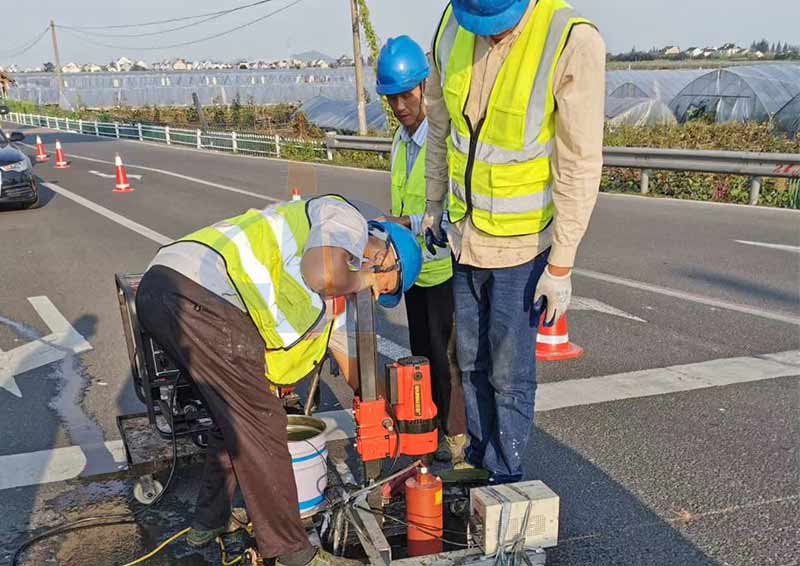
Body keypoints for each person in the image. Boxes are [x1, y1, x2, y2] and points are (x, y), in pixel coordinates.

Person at [135, 195, 422, 565]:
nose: (375, 293)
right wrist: (363, 278)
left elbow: (358, 375)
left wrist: (394, 415)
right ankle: (293, 553)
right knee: (263, 422)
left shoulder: (332, 301)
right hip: (199, 291)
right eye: (386, 285)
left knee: (232, 422)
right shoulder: (343, 217)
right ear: (385, 256)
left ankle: (208, 522)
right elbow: (325, 274)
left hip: (166, 290)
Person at [422, 0, 605, 483]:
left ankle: (506, 473)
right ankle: (481, 463)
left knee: (507, 374)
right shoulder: (451, 25)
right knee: (470, 363)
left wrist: (561, 264)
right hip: (464, 237)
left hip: (522, 248)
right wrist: (433, 204)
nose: (489, 36)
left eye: (498, 27)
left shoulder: (569, 38)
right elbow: (439, 127)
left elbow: (579, 162)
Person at [374, 36, 468, 464]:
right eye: (391, 98)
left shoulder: (442, 140)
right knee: (421, 354)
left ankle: (457, 440)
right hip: (413, 267)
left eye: (406, 95)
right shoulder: (399, 141)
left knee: (448, 357)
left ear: (425, 86)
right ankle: (424, 431)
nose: (399, 106)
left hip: (444, 265)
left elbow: (457, 208)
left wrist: (408, 223)